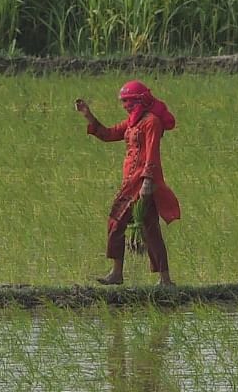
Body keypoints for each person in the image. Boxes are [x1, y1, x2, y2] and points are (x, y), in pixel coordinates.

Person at [75, 81, 180, 286]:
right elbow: (108, 134)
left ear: (139, 100)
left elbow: (152, 155)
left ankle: (120, 273)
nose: (125, 106)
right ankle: (162, 279)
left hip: (141, 184)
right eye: (123, 102)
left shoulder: (151, 123)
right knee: (150, 230)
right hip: (131, 182)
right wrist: (87, 115)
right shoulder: (133, 123)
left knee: (117, 222)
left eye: (128, 102)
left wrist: (147, 183)